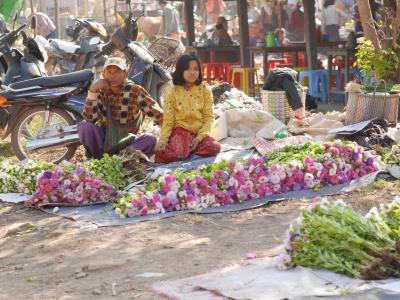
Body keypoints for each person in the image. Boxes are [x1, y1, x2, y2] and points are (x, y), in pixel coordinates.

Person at [78, 56, 163, 159]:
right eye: (109, 72)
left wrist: (169, 136)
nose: (112, 76)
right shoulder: (100, 90)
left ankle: (120, 158)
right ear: (103, 74)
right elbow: (90, 118)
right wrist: (93, 91)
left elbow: (158, 115)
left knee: (151, 139)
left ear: (125, 74)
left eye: (117, 72)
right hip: (105, 141)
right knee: (85, 126)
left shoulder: (135, 90)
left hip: (128, 140)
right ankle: (98, 159)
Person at [155, 54, 221, 163]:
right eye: (188, 69)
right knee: (174, 153)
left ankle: (188, 151)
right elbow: (168, 120)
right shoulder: (172, 90)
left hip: (198, 133)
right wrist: (163, 140)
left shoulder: (205, 90)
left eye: (195, 69)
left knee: (215, 147)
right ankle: (185, 151)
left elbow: (209, 117)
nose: (192, 72)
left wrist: (200, 137)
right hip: (180, 131)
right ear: (181, 70)